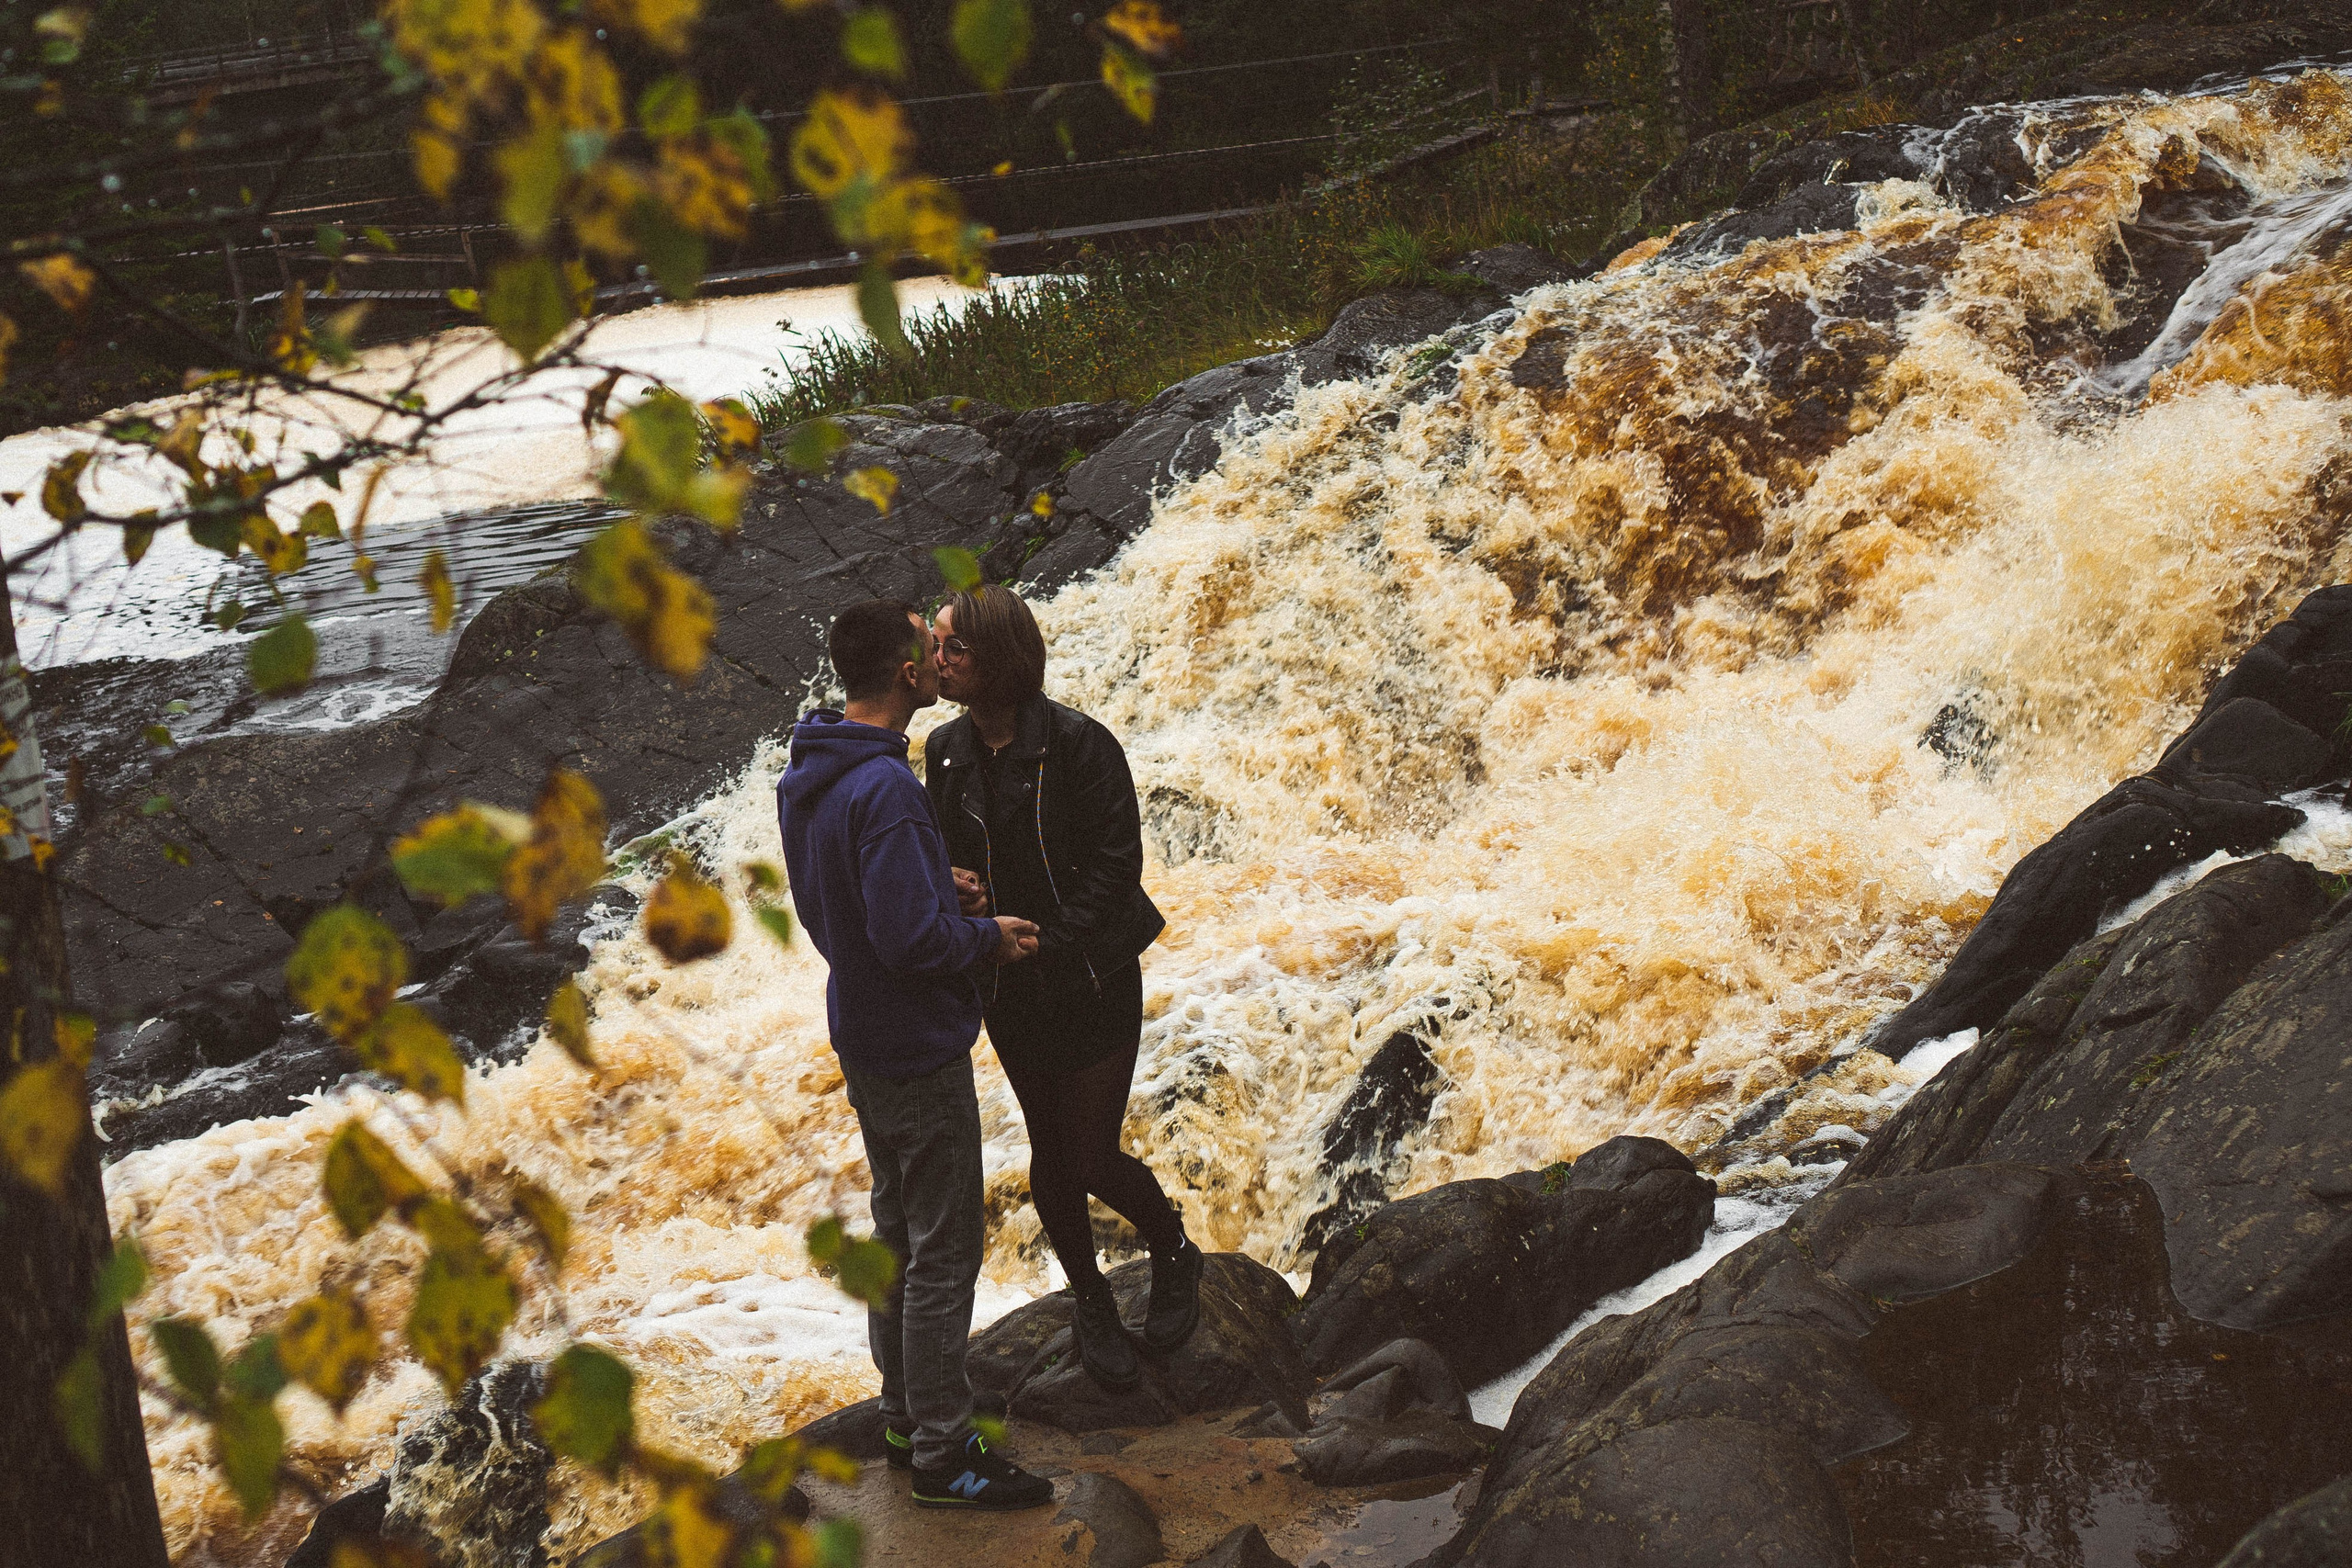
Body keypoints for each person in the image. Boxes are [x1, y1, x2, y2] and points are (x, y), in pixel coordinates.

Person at [777, 598, 1056, 1511]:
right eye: (928, 649)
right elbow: (907, 941)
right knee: (943, 1252)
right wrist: (985, 938)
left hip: (860, 1028)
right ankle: (943, 1455)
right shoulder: (889, 786)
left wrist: (933, 885)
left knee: (898, 1236)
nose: (944, 658)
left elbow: (848, 896)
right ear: (906, 675)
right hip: (912, 1037)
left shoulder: (817, 767)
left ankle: (902, 1417)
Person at [923, 583, 1204, 1393]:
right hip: (1010, 987)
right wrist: (958, 891)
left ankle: (1172, 1246)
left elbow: (1119, 868)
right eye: (937, 644)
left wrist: (1041, 941)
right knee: (1051, 1152)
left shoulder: (1082, 745)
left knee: (1088, 1151)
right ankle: (1090, 1299)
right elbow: (936, 855)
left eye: (953, 648)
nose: (936, 660)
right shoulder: (945, 752)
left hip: (1090, 973)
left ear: (998, 658)